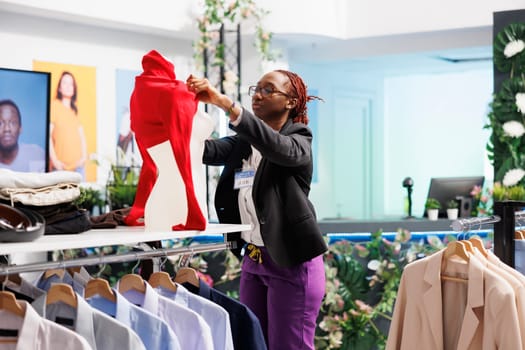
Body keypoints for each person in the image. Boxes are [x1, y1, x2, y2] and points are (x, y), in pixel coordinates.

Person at [187, 70, 328, 350]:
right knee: (253, 342)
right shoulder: (243, 142)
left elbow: (278, 147)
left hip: (291, 261)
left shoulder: (299, 139)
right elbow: (204, 151)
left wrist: (226, 104)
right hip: (254, 258)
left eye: (268, 90)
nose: (258, 95)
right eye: (256, 89)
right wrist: (177, 113)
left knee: (288, 346)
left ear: (290, 102)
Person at [49, 71, 87, 179]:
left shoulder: (74, 111)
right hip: (60, 168)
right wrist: (55, 161)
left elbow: (81, 136)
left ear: (74, 88)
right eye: (65, 83)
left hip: (78, 168)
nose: (68, 86)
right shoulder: (54, 106)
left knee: (82, 196)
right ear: (59, 88)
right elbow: (48, 136)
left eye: (71, 84)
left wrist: (84, 157)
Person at [0, 99, 45, 172]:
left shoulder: (37, 154)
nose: (7, 129)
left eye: (13, 123)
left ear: (20, 128)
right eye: (0, 123)